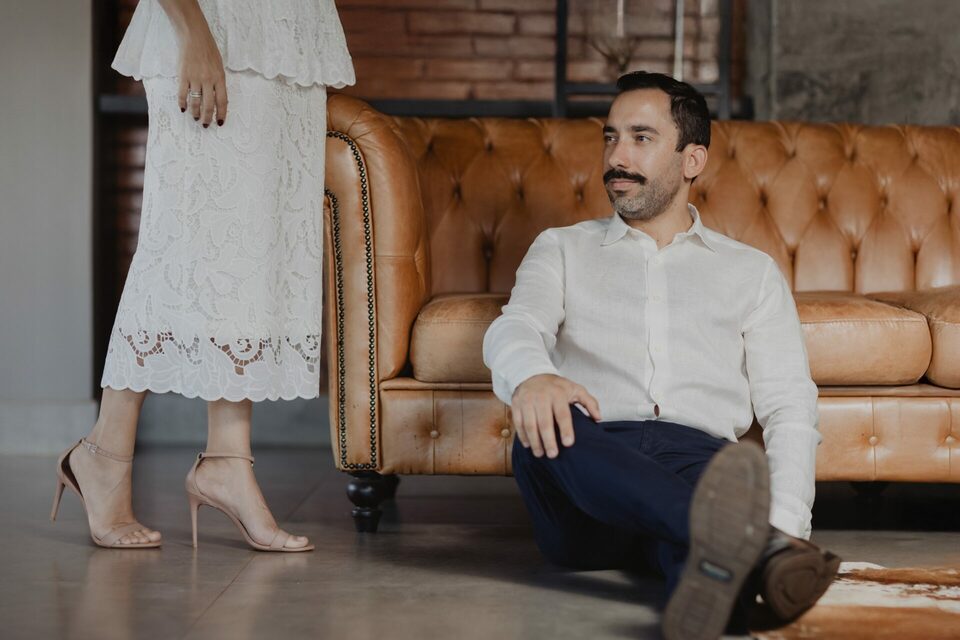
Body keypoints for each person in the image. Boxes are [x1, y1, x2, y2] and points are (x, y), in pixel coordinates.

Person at [483, 71, 840, 639]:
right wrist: (532, 377)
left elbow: (790, 406)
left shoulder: (750, 272)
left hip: (697, 462)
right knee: (549, 423)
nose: (616, 157)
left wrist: (786, 520)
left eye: (641, 138)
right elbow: (517, 325)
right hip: (585, 463)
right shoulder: (561, 248)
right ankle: (759, 548)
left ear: (692, 159)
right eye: (611, 137)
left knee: (701, 551)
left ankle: (724, 581)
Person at [51, 0, 354, 551]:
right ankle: (104, 452)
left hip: (288, 36)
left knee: (251, 251)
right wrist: (193, 30)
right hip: (211, 24)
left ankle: (227, 459)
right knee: (177, 243)